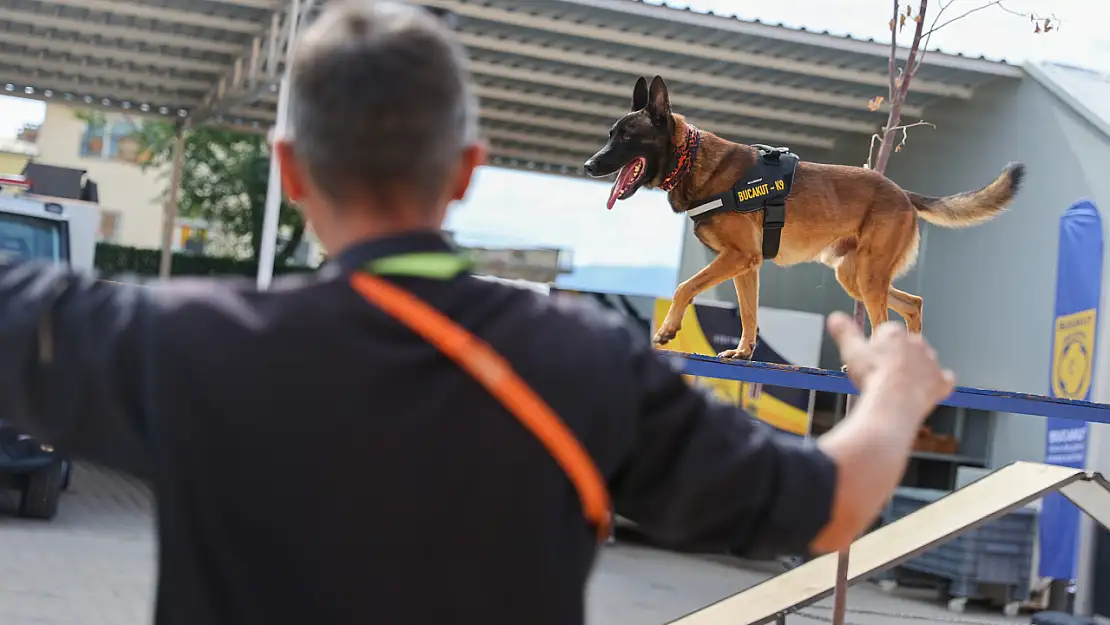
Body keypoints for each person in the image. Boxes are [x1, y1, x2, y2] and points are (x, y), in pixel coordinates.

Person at [0, 1, 956, 624]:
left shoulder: (187, 344)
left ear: (289, 172)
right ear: (466, 171)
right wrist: (890, 391)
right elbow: (830, 504)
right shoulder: (586, 366)